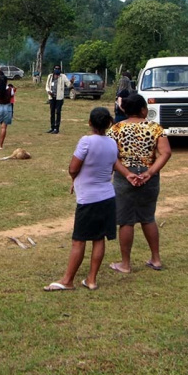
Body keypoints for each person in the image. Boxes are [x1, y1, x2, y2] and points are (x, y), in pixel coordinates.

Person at [43, 108, 138, 292]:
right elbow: (113, 164)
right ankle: (91, 279)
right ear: (108, 123)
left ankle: (68, 280)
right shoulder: (111, 143)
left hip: (89, 200)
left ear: (90, 122)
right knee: (98, 238)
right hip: (107, 197)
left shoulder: (86, 141)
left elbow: (73, 168)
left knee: (79, 240)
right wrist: (128, 174)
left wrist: (74, 179)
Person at [106, 94, 172, 273]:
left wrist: (127, 173)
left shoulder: (116, 129)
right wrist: (149, 172)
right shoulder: (156, 128)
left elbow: (111, 157)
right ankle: (156, 259)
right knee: (148, 217)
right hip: (149, 176)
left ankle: (125, 264)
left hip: (123, 176)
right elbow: (165, 152)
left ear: (124, 110)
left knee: (126, 221)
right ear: (144, 109)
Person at [45, 65, 71, 134]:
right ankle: (52, 127)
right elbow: (47, 86)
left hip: (59, 98)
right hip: (51, 96)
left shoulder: (63, 76)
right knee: (52, 112)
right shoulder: (50, 76)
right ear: (53, 69)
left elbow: (68, 84)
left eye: (58, 69)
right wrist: (48, 91)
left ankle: (57, 128)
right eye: (56, 69)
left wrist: (72, 82)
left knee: (58, 112)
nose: (57, 70)